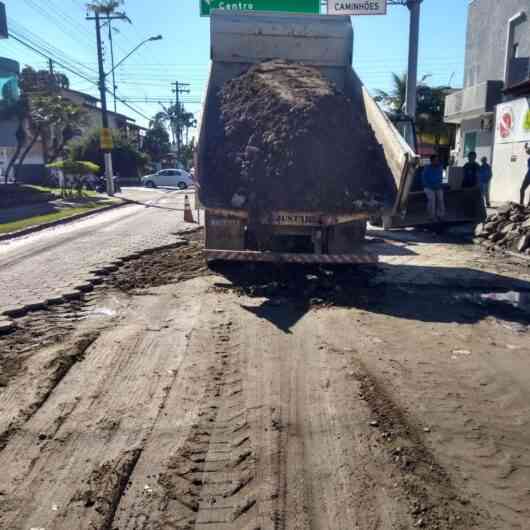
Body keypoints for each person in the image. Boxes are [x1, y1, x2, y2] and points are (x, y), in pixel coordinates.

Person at [422, 154, 445, 220]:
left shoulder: (440, 167)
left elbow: (440, 179)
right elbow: (424, 180)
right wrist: (431, 186)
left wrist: (438, 186)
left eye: (437, 160)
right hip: (428, 187)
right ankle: (431, 216)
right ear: (431, 161)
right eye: (435, 160)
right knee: (432, 199)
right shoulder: (427, 168)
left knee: (440, 199)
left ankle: (440, 215)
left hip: (438, 187)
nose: (437, 162)